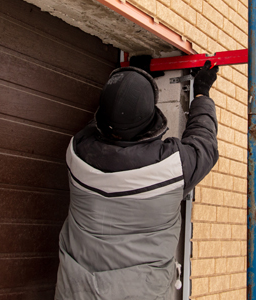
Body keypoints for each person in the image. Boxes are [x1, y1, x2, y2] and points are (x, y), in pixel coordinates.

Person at [55, 60, 220, 299]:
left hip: (75, 290)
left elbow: (100, 124)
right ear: (152, 120)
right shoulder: (172, 168)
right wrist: (202, 92)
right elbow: (204, 143)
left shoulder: (78, 151)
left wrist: (132, 83)